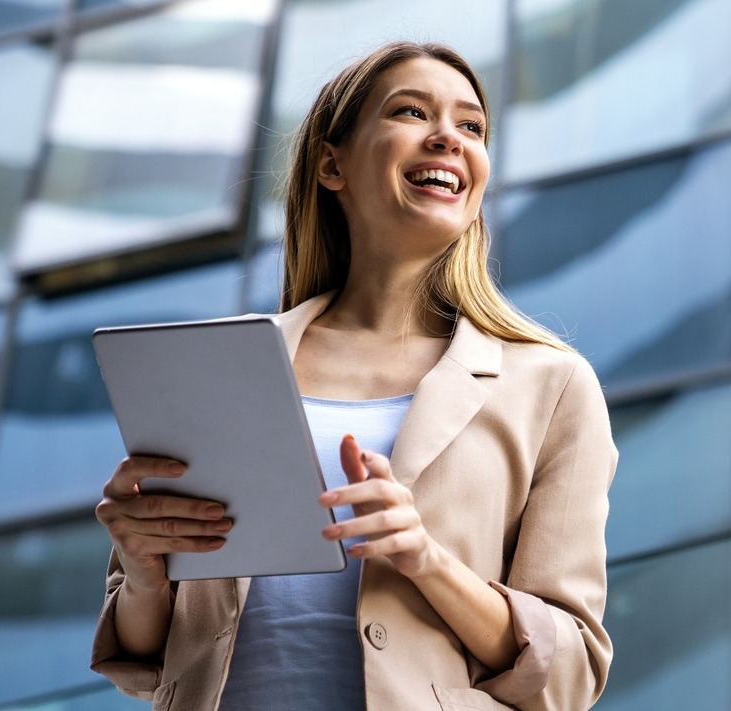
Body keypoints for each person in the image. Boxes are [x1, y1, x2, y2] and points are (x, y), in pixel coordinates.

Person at [90, 41, 617, 711]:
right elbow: (145, 657)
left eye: (472, 126)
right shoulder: (221, 366)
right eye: (411, 111)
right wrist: (141, 569)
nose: (449, 139)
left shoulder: (550, 385)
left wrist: (424, 556)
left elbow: (569, 668)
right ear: (332, 165)